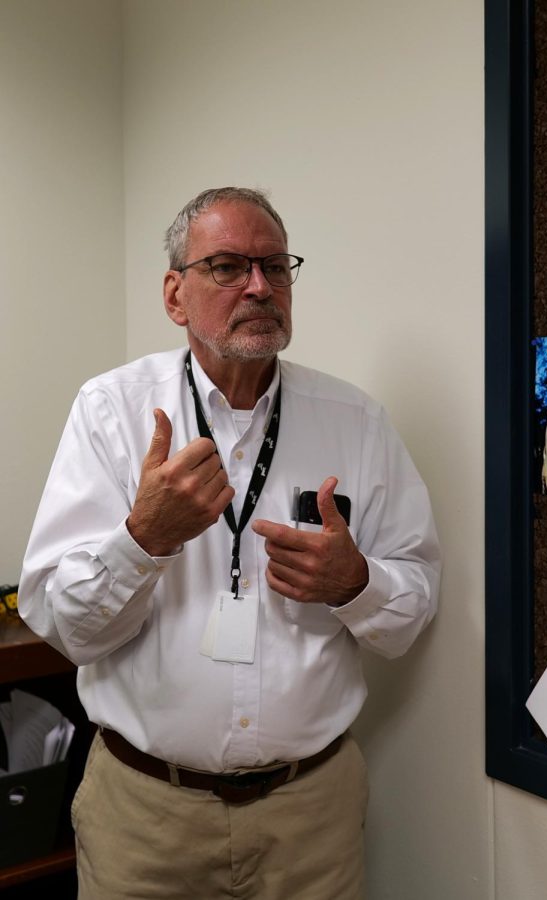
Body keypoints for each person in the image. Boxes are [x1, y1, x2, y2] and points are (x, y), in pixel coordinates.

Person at [19, 187, 440, 899]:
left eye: (275, 266)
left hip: (311, 818)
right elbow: (63, 626)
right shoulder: (111, 411)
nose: (258, 285)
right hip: (145, 818)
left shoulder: (355, 421)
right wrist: (142, 539)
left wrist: (355, 583)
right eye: (226, 266)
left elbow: (412, 611)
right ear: (174, 294)